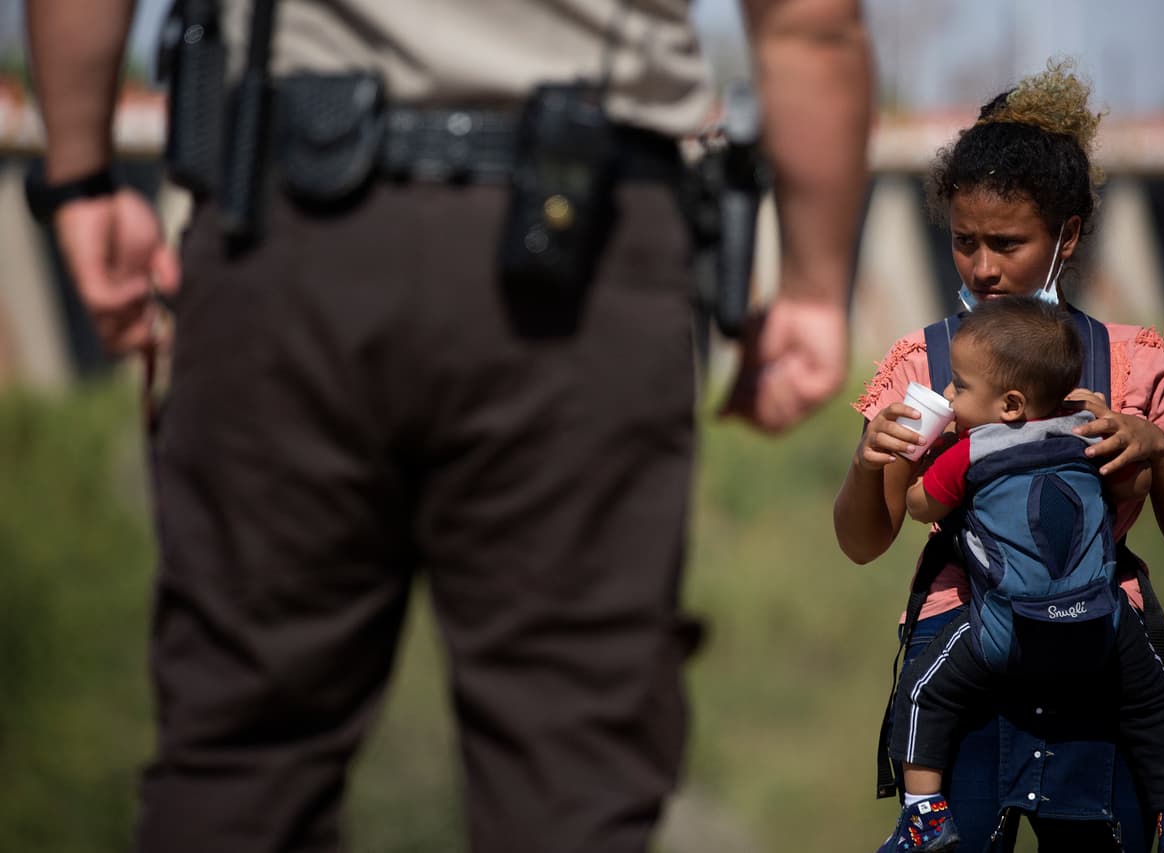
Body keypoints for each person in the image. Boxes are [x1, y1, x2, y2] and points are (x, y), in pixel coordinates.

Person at [23, 1, 872, 851]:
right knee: (571, 780)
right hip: (583, 245)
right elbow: (809, 24)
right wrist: (813, 282)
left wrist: (78, 174)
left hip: (287, 225)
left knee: (240, 768)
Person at [833, 59, 1164, 852]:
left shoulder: (1135, 364)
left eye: (1007, 243)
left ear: (1066, 237)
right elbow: (864, 541)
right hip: (964, 663)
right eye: (963, 242)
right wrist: (870, 461)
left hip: (1099, 656)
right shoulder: (924, 365)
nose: (982, 267)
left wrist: (1155, 449)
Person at [879, 296, 1164, 853]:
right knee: (1157, 704)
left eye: (960, 386)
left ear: (1010, 404)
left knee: (920, 693)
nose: (950, 396)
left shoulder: (971, 451)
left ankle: (925, 814)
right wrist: (1111, 425)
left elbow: (919, 507)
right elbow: (1134, 486)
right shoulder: (1089, 431)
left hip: (1005, 629)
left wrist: (922, 452)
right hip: (1101, 625)